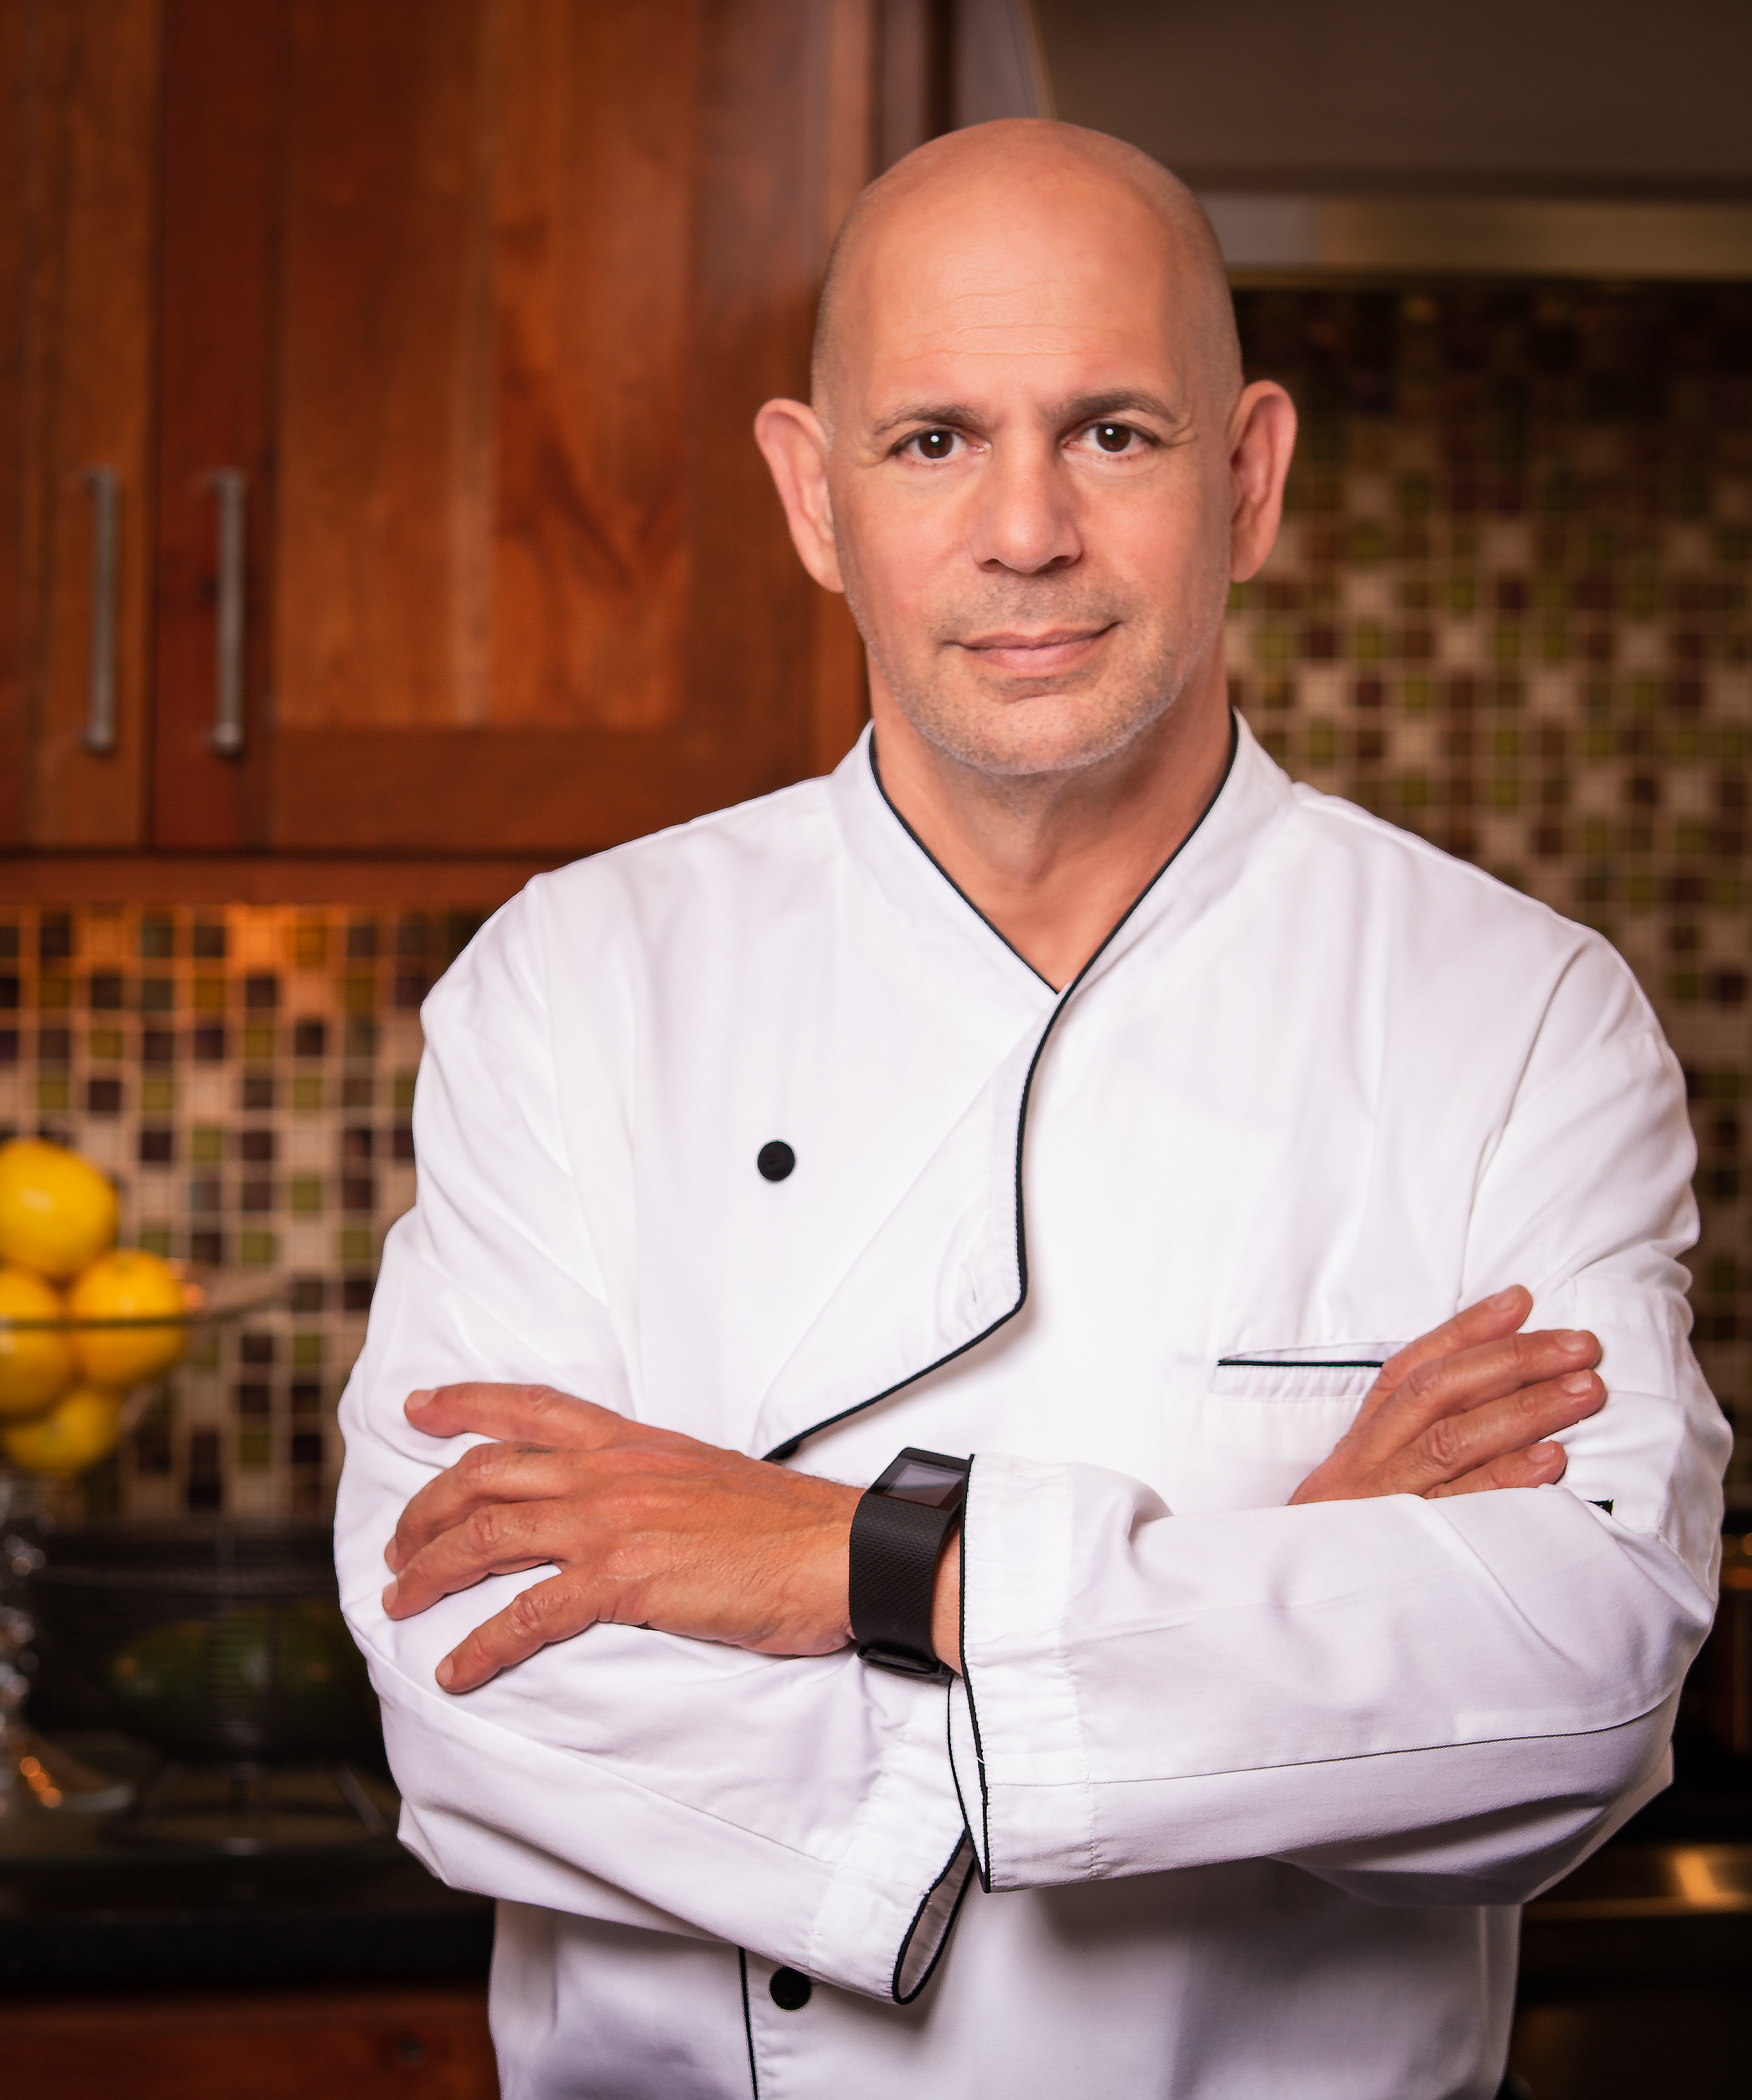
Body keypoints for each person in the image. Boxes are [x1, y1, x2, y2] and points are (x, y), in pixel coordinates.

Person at [335, 120, 1728, 2098]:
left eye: (1111, 433)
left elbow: (1567, 1691)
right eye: (930, 442)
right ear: (812, 498)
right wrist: (1271, 1604)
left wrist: (853, 1568)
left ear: (1244, 477)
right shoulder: (574, 983)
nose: (1023, 532)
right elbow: (471, 1672)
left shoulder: (1510, 1016)